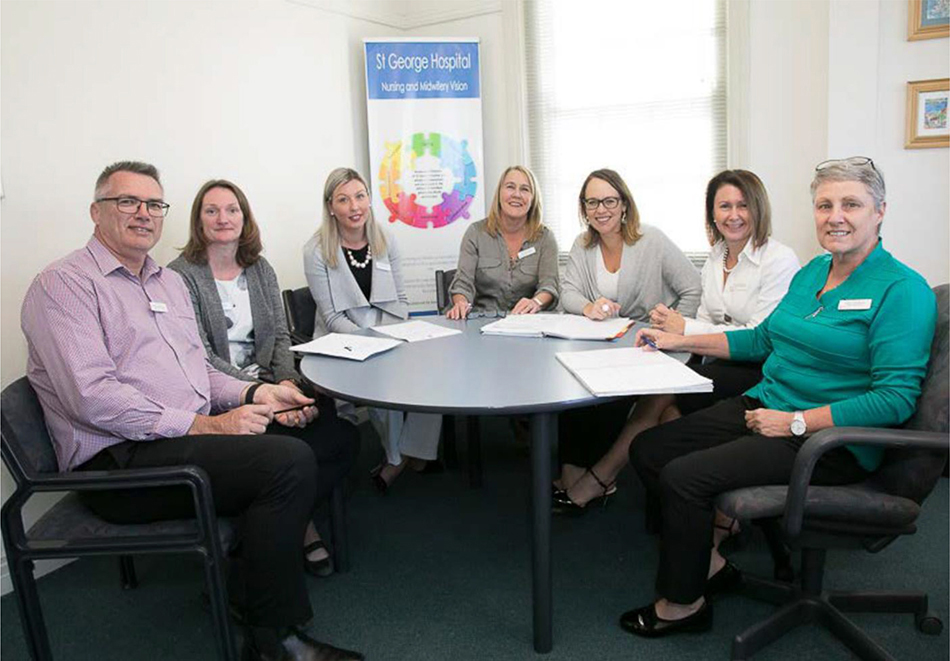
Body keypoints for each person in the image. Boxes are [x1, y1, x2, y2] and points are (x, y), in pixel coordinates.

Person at [20, 161, 363, 661]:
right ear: (96, 212)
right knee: (285, 463)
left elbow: (200, 369)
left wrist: (257, 396)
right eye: (127, 202)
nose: (143, 213)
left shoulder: (164, 283)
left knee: (334, 436)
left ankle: (241, 583)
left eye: (154, 204)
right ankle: (274, 640)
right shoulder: (64, 285)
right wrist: (207, 424)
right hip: (123, 463)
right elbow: (91, 397)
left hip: (184, 437)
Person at [621, 157, 936, 638]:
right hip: (767, 403)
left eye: (851, 204)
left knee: (685, 477)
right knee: (650, 449)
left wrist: (797, 423)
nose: (836, 216)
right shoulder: (812, 273)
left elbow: (894, 399)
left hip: (831, 439)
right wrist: (679, 341)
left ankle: (682, 605)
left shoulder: (903, 290)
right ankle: (708, 564)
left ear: (880, 212)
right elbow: (762, 340)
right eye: (825, 204)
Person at [554, 169, 800, 513]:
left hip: (758, 369)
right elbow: (705, 317)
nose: (733, 215)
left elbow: (759, 338)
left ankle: (602, 476)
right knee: (662, 406)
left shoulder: (778, 259)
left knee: (662, 390)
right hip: (714, 359)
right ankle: (680, 500)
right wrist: (673, 329)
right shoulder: (717, 256)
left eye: (742, 205)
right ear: (712, 214)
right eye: (723, 206)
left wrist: (683, 329)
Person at [169, 179, 359, 577]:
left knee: (342, 437)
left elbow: (280, 339)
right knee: (291, 451)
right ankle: (299, 530)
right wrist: (260, 396)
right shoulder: (178, 276)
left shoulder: (259, 268)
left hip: (273, 384)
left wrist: (287, 384)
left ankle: (273, 524)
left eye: (232, 209)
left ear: (244, 217)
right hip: (224, 397)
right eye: (212, 210)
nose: (223, 218)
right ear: (198, 220)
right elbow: (198, 356)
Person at [553, 168, 702, 508]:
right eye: (592, 202)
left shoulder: (651, 240)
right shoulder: (583, 244)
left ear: (624, 205)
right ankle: (574, 473)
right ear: (584, 208)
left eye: (609, 200)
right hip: (603, 344)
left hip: (648, 348)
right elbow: (568, 293)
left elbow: (692, 287)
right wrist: (589, 306)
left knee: (608, 393)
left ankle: (596, 479)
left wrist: (673, 327)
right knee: (573, 387)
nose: (601, 209)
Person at [304, 167, 441, 492]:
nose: (354, 207)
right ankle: (397, 458)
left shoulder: (385, 239)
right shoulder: (316, 251)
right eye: (344, 199)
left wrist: (399, 335)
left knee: (437, 370)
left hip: (388, 330)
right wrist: (374, 344)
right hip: (341, 340)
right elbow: (332, 318)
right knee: (385, 378)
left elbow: (401, 299)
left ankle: (412, 451)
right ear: (330, 207)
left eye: (360, 196)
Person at [445, 165, 559, 319]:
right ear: (499, 193)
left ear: (533, 199)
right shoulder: (475, 233)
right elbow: (463, 284)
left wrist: (536, 302)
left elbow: (549, 285)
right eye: (510, 187)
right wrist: (461, 303)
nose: (517, 194)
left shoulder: (545, 238)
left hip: (527, 322)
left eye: (525, 189)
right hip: (481, 322)